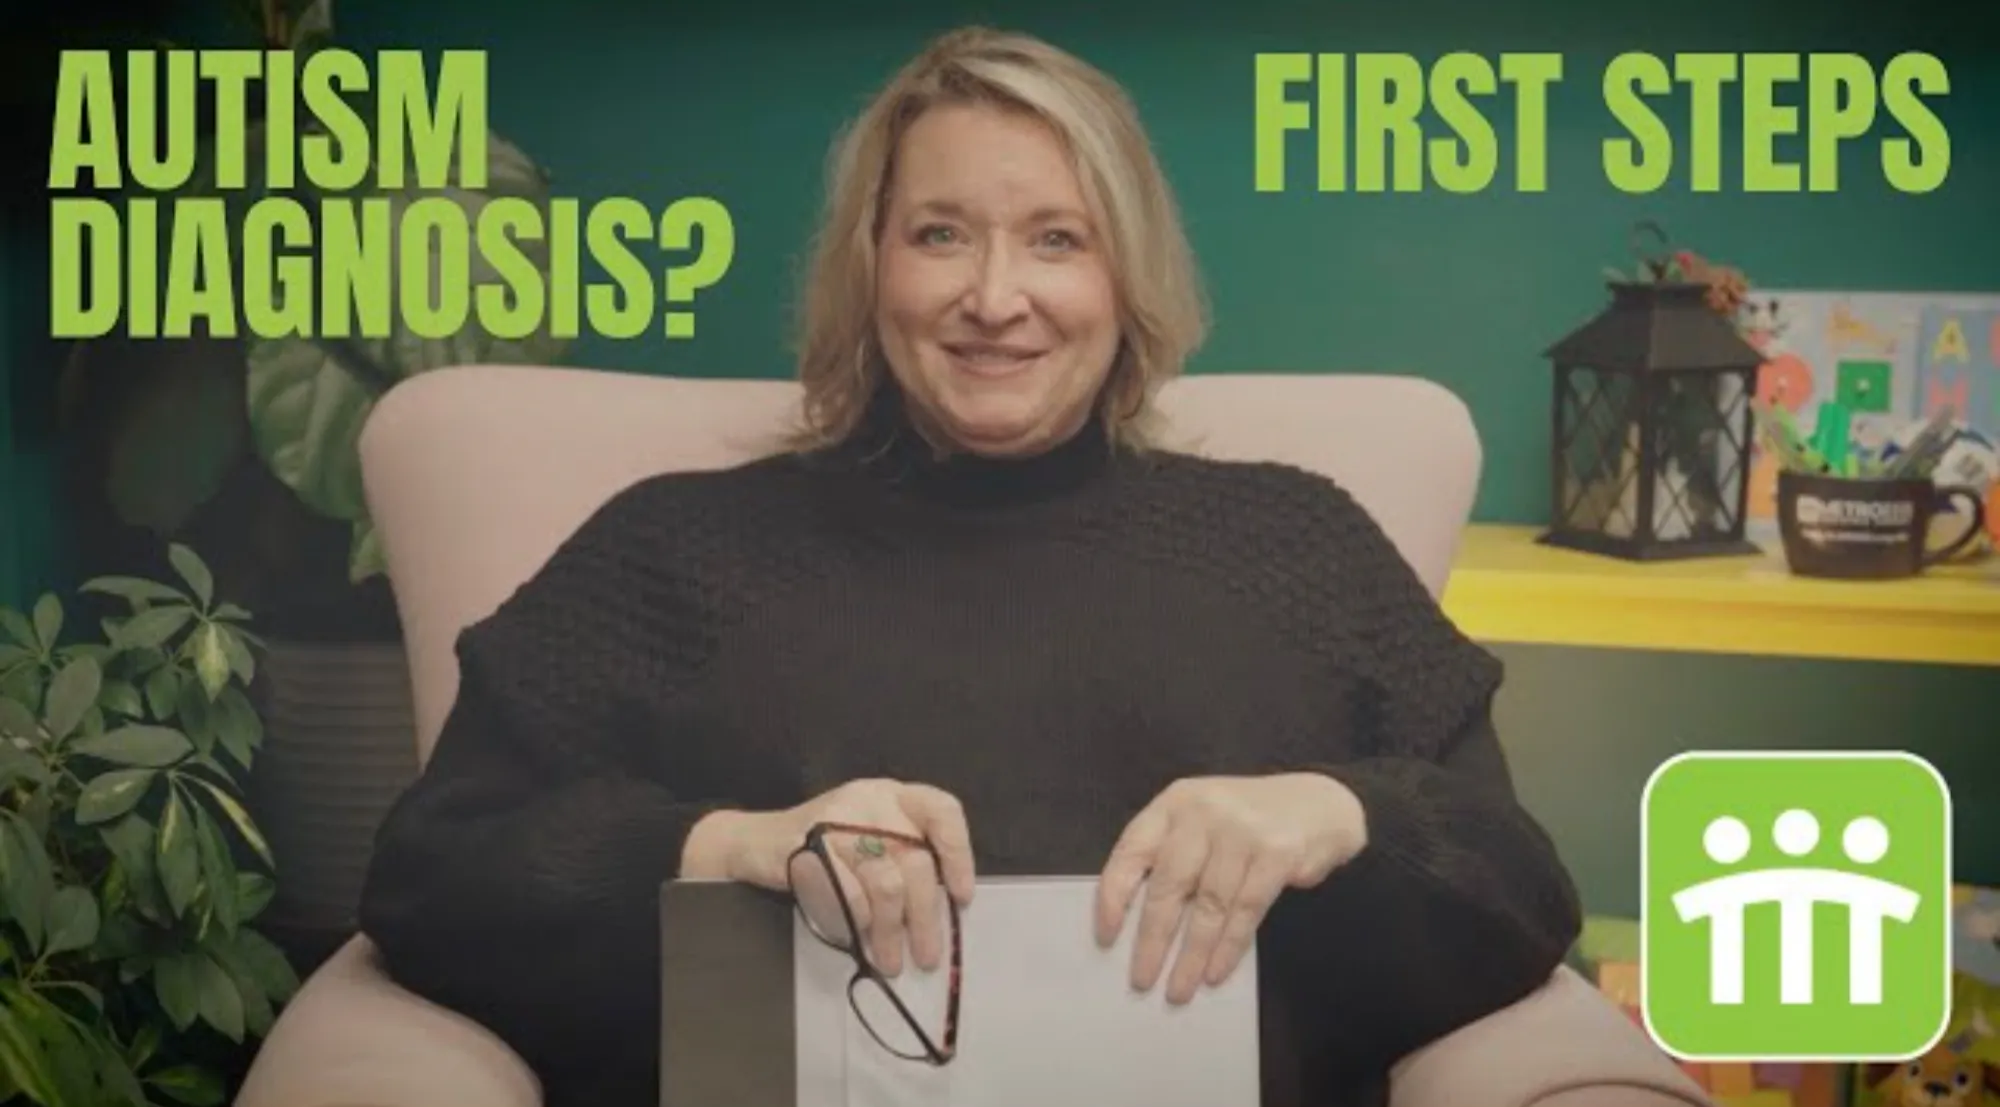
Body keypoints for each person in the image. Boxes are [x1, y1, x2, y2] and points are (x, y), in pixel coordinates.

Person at [356, 25, 1583, 1107]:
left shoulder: (1297, 545)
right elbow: (429, 882)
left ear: (1126, 279)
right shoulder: (669, 549)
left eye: (1058, 240)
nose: (996, 297)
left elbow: (1521, 890)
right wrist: (725, 848)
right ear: (870, 266)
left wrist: (1341, 814)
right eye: (940, 235)